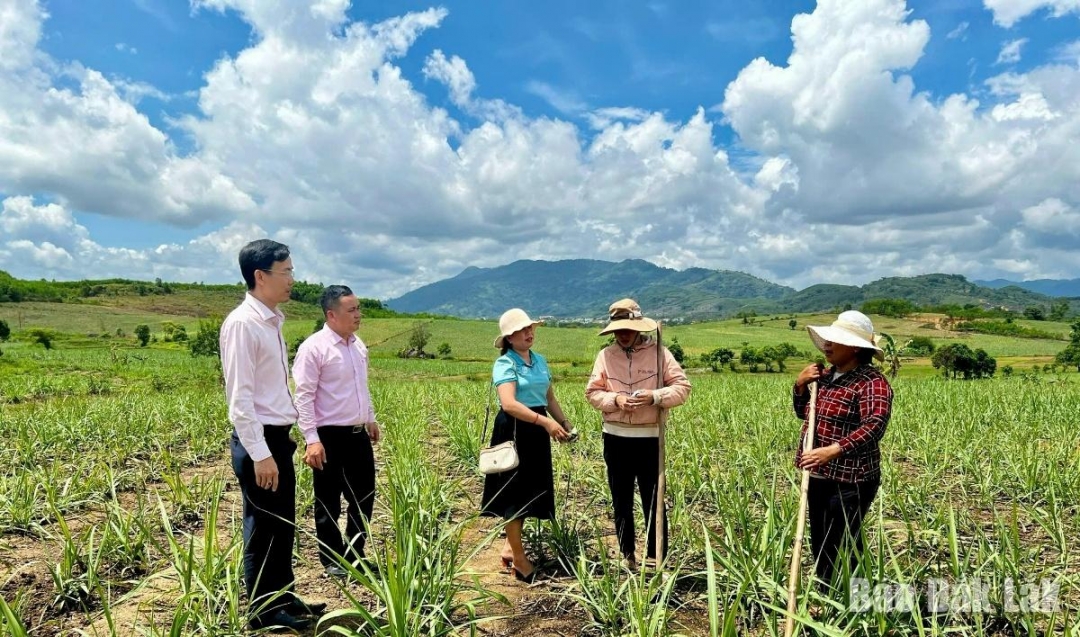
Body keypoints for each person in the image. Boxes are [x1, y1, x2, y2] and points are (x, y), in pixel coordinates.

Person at [220, 239, 324, 630]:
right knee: (263, 527)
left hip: (277, 439)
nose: (293, 280)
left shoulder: (271, 320)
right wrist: (261, 453)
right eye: (287, 272)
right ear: (260, 276)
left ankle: (283, 596)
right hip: (259, 442)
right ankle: (264, 612)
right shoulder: (244, 324)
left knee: (282, 524)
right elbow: (240, 399)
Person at [586, 299, 690, 569]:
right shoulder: (606, 356)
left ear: (638, 328)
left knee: (654, 499)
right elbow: (593, 393)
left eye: (627, 328)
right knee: (620, 497)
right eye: (618, 329)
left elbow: (682, 388)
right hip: (615, 436)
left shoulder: (660, 354)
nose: (622, 334)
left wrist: (654, 396)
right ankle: (627, 555)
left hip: (650, 438)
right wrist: (616, 400)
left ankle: (656, 558)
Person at [793, 310, 893, 589]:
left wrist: (833, 450)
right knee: (821, 536)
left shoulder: (872, 383)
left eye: (835, 341)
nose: (827, 345)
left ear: (855, 348)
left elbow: (874, 426)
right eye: (827, 339)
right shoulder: (823, 377)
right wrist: (800, 385)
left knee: (844, 539)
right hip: (818, 473)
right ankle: (827, 591)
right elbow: (805, 415)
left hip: (852, 478)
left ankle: (852, 598)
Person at [293, 285, 381, 579]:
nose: (359, 314)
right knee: (329, 499)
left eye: (358, 308)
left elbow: (362, 387)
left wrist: (370, 417)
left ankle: (355, 554)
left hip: (357, 434)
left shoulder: (358, 345)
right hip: (328, 435)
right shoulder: (314, 348)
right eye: (352, 310)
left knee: (364, 495)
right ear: (331, 314)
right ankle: (332, 558)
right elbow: (303, 396)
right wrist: (311, 439)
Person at [480, 308, 573, 582]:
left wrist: (564, 422)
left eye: (530, 328)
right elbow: (509, 404)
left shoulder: (540, 360)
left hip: (536, 430)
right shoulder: (505, 364)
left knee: (531, 490)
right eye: (522, 330)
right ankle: (519, 560)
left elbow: (549, 398)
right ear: (509, 338)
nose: (529, 333)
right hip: (514, 430)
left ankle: (510, 548)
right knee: (514, 494)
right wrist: (545, 423)